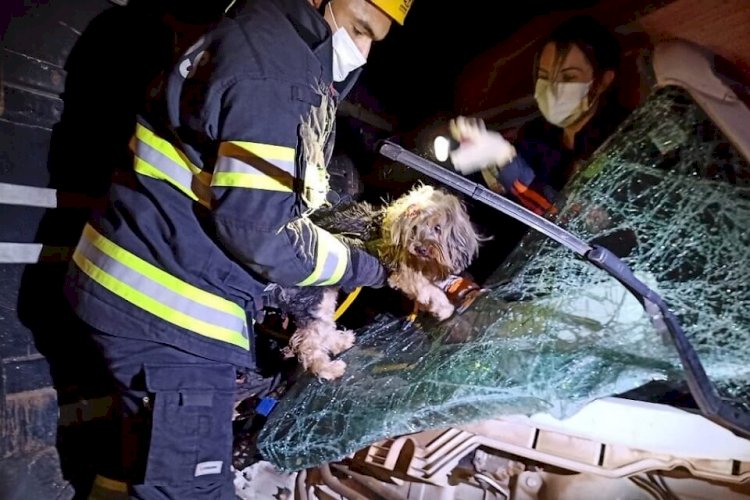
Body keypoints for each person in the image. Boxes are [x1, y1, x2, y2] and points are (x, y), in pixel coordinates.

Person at [63, 0, 413, 498]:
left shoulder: (263, 37)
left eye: (373, 39)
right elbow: (260, 232)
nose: (360, 51)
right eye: (358, 29)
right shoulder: (278, 71)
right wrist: (367, 267)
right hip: (172, 317)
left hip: (135, 281)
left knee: (131, 466)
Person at [449, 15, 630, 216]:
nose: (552, 89)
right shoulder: (534, 137)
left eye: (568, 77)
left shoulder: (624, 141)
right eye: (544, 76)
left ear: (603, 80)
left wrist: (505, 159)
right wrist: (486, 166)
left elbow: (574, 220)